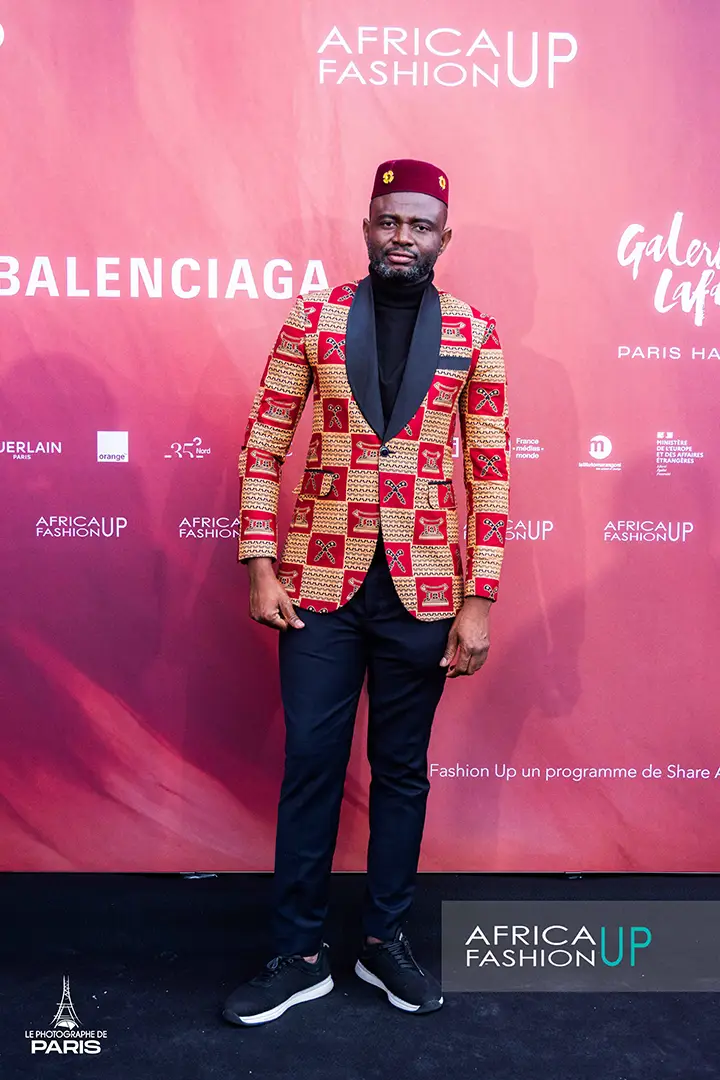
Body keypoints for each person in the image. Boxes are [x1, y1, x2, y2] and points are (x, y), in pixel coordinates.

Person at [223, 159, 510, 1026]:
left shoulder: (475, 331)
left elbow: (489, 470)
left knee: (402, 772)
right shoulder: (311, 318)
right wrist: (260, 562)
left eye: (419, 225)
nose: (402, 237)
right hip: (317, 584)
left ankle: (385, 942)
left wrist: (479, 599)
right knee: (310, 764)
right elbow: (263, 444)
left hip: (425, 587)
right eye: (389, 221)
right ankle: (298, 953)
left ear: (444, 238)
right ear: (366, 227)